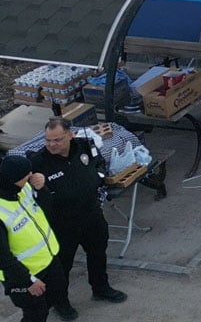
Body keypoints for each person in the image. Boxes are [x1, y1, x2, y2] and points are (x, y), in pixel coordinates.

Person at [26, 119, 127, 321]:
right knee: (62, 267)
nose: (52, 144)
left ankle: (101, 288)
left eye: (57, 140)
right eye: (48, 140)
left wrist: (98, 177)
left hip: (91, 215)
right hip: (62, 224)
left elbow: (98, 164)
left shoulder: (84, 146)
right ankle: (60, 302)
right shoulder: (38, 162)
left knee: (98, 254)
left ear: (70, 135)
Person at [1, 154, 68, 322]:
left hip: (48, 259)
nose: (31, 176)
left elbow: (45, 208)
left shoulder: (23, 188)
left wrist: (41, 188)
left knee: (55, 296)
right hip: (24, 275)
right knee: (36, 315)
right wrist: (28, 281)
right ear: (13, 180)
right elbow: (3, 257)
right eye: (27, 175)